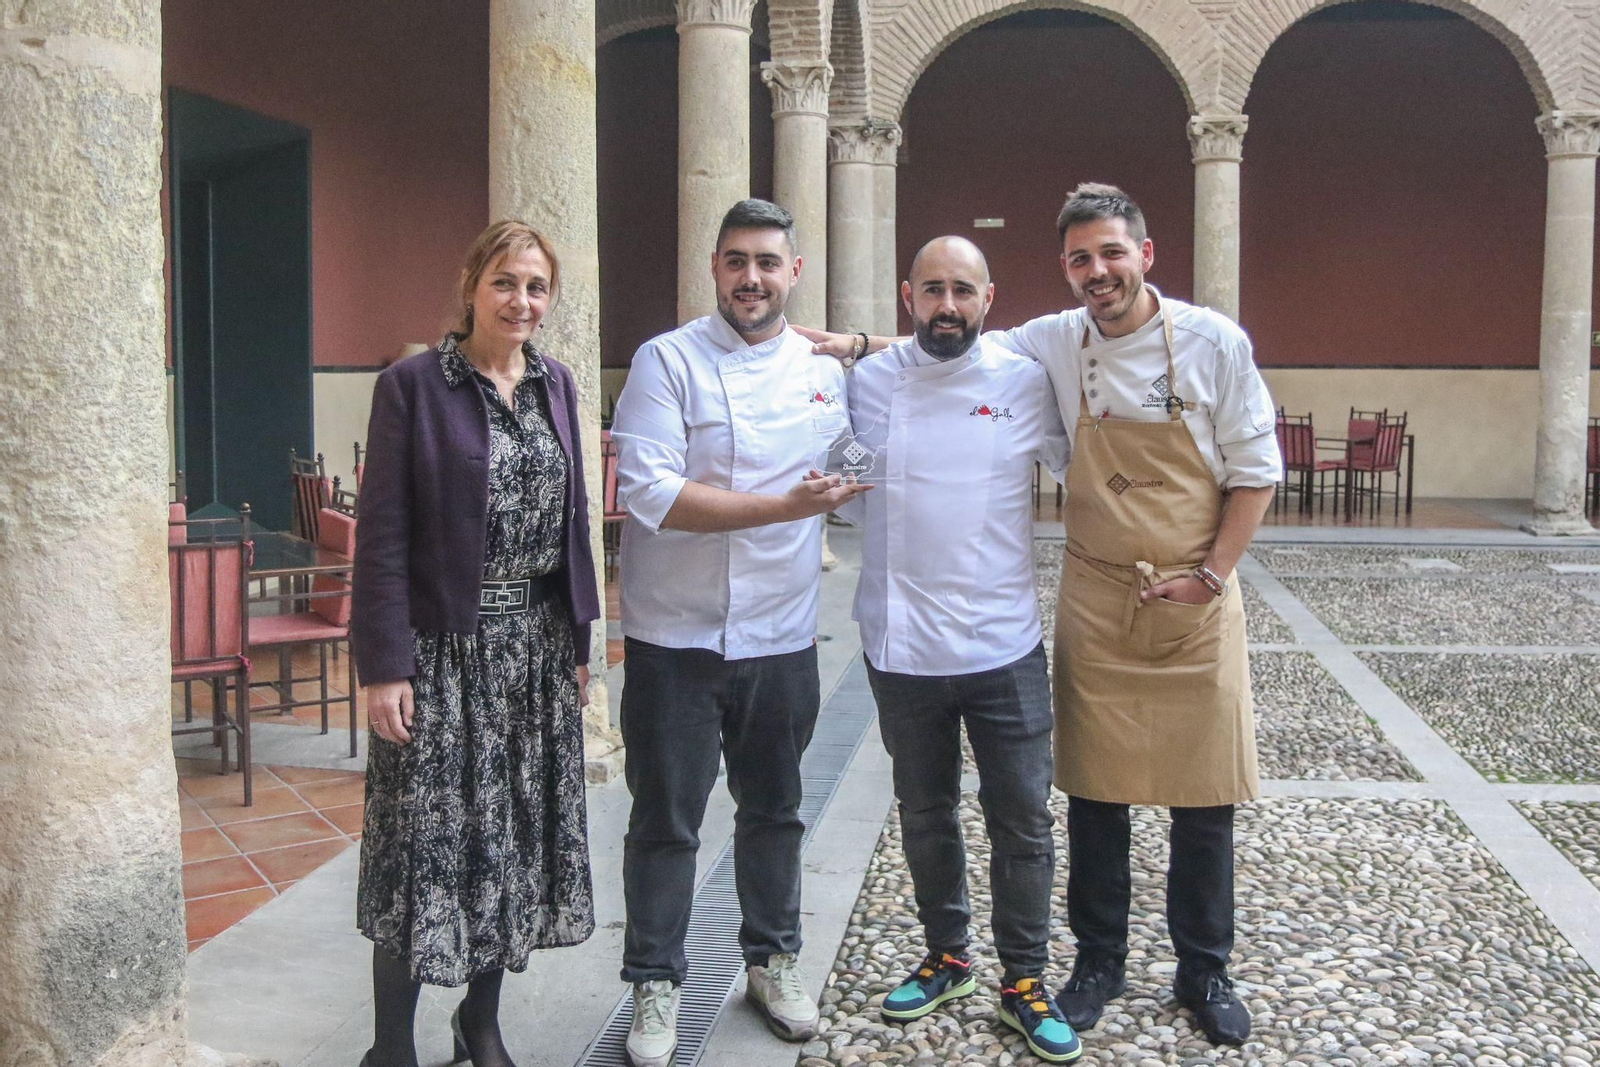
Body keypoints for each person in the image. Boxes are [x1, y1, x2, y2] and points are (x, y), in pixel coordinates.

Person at [798, 184, 1281, 1047]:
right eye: (1081, 259)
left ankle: (1193, 966)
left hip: (1127, 610)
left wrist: (1210, 574)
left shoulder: (1089, 362)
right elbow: (845, 464)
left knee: (1188, 798)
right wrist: (829, 441)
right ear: (910, 299)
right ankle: (1074, 961)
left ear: (1146, 254)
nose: (1099, 271)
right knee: (1072, 796)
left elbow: (1253, 469)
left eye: (1112, 254)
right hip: (997, 617)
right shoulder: (890, 380)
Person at [608, 198, 869, 1067]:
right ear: (714, 268)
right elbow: (651, 494)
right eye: (735, 262)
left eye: (767, 262)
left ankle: (772, 958)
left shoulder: (825, 366)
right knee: (665, 820)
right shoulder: (666, 361)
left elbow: (859, 449)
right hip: (673, 637)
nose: (751, 278)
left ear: (795, 272)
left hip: (781, 632)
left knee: (775, 810)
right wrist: (787, 508)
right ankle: (655, 981)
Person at [352, 220, 600, 1067]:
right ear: (470, 287)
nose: (521, 300)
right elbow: (381, 535)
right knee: (423, 845)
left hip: (533, 650)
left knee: (512, 841)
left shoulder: (557, 384)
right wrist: (384, 666)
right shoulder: (414, 385)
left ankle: (479, 1023)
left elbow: (574, 526)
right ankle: (391, 1043)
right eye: (505, 282)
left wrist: (579, 642)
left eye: (535, 285)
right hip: (442, 651)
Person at [832, 236, 1081, 1063]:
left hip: (1003, 643)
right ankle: (947, 955)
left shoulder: (1023, 379)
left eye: (962, 291)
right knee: (926, 811)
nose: (947, 305)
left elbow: (1087, 463)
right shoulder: (869, 382)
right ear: (907, 295)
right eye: (932, 289)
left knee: (1022, 817)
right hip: (900, 645)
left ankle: (1025, 978)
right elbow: (841, 485)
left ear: (989, 298)